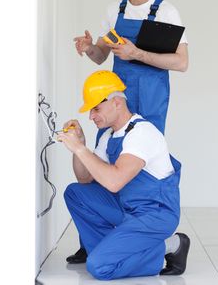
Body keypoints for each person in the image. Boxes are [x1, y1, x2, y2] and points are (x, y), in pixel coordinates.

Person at [58, 70, 190, 280]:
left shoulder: (141, 134)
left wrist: (81, 151)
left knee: (100, 267)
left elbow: (114, 181)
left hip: (154, 215)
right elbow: (84, 179)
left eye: (96, 108)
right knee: (75, 193)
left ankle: (171, 245)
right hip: (127, 207)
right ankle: (110, 251)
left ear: (117, 103)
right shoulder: (110, 135)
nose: (91, 116)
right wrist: (80, 146)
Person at [74, 0, 188, 135]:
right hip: (115, 99)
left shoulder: (165, 12)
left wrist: (136, 53)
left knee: (144, 155)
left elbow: (181, 63)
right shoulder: (114, 10)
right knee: (109, 154)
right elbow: (100, 56)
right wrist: (90, 48)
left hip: (151, 99)